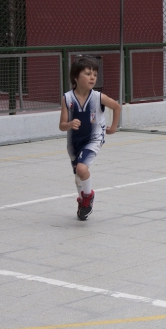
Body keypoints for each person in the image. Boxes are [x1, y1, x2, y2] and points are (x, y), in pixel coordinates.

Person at [59, 57, 121, 221]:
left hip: (94, 138)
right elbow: (62, 125)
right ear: (75, 77)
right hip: (74, 143)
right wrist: (70, 124)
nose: (92, 77)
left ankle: (88, 197)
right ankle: (83, 202)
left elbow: (116, 107)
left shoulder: (98, 97)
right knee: (78, 175)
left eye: (95, 74)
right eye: (87, 74)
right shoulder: (67, 98)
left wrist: (113, 127)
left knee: (81, 169)